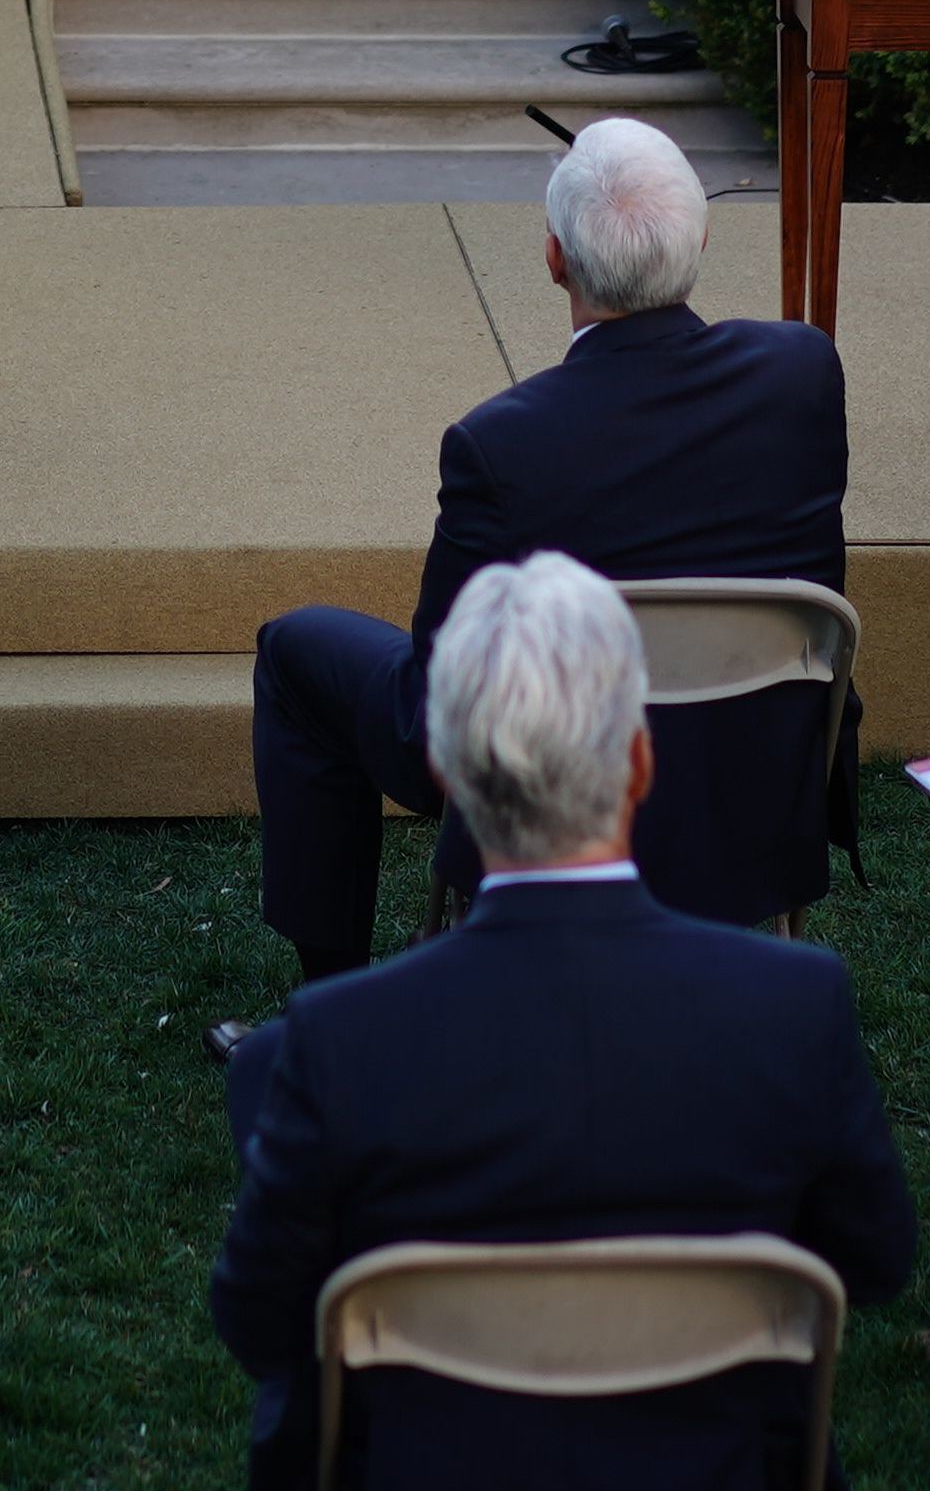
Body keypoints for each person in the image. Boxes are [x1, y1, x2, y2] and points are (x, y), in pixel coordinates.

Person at [209, 555, 918, 1491]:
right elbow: (876, 1261)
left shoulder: (338, 1043)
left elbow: (258, 1316)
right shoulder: (793, 1009)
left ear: (441, 770)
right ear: (640, 761)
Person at [235, 115, 846, 1029]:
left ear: (554, 259)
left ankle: (336, 1019)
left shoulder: (504, 443)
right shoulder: (806, 372)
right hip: (758, 786)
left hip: (560, 792)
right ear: (704, 239)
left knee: (297, 652)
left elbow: (440, 705)